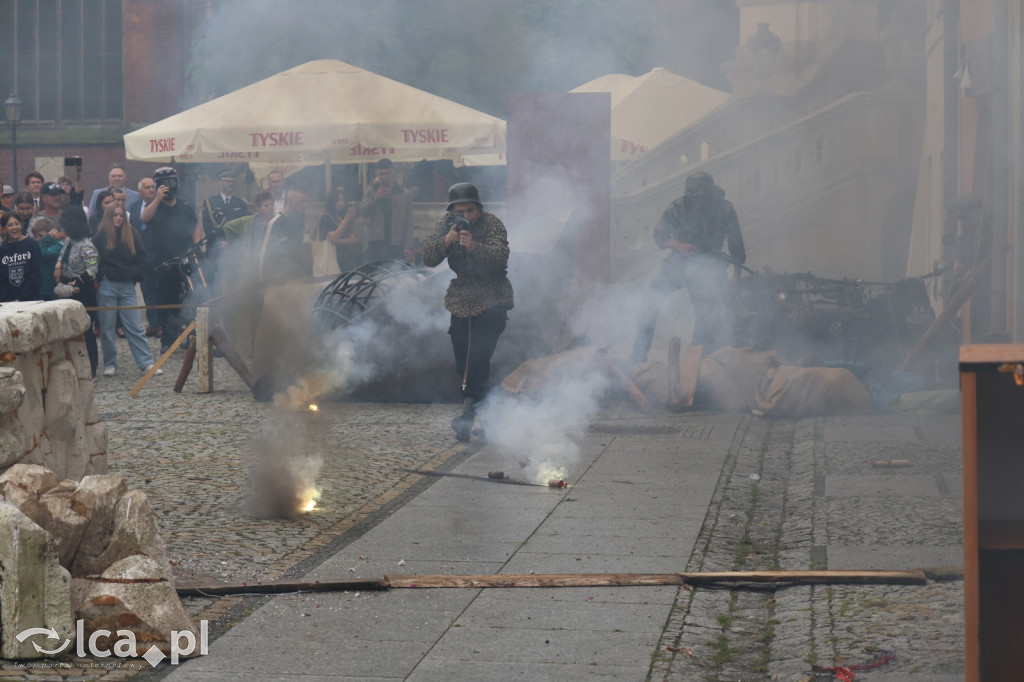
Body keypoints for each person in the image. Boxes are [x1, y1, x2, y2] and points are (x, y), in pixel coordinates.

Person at [421, 183, 514, 442]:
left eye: (470, 211)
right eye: (459, 211)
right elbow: (427, 257)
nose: (465, 216)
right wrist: (445, 242)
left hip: (492, 296)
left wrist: (475, 247)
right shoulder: (446, 224)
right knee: (463, 360)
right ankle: (485, 410)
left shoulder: (492, 224)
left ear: (478, 208)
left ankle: (469, 412)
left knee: (479, 358)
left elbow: (501, 258)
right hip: (461, 298)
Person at [631, 171, 745, 362]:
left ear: (710, 194)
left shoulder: (725, 209)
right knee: (649, 302)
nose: (696, 201)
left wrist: (737, 278)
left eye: (700, 197)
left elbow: (737, 248)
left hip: (710, 266)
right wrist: (679, 246)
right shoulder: (679, 206)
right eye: (692, 197)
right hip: (680, 262)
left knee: (707, 316)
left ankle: (698, 362)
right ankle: (638, 355)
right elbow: (660, 234)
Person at [93, 203, 161, 377]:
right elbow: (92, 258)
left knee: (135, 327)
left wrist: (135, 276)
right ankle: (110, 363)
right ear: (108, 216)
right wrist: (101, 274)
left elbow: (143, 258)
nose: (118, 218)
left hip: (127, 287)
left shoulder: (132, 235)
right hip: (107, 287)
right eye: (115, 215)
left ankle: (146, 363)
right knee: (107, 329)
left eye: (121, 215)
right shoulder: (100, 236)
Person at [141, 166, 201, 354]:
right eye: (164, 184)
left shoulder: (184, 205)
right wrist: (157, 198)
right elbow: (145, 218)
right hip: (164, 261)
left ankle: (191, 335)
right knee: (166, 301)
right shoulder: (154, 206)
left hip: (186, 257)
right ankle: (168, 339)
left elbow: (195, 226)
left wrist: (197, 247)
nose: (169, 187)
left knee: (192, 297)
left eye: (171, 182)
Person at [54, 207, 100, 377]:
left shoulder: (87, 246)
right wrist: (58, 267)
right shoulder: (68, 242)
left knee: (86, 331)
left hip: (82, 289)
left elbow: (92, 269)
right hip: (67, 288)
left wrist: (78, 281)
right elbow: (61, 256)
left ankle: (92, 368)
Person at [359, 158, 416, 262]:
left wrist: (408, 245)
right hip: (376, 242)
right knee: (376, 275)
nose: (384, 177)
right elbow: (363, 213)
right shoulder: (371, 191)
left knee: (396, 275)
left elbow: (409, 222)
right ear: (376, 173)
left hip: (397, 243)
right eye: (381, 174)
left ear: (393, 172)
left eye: (387, 173)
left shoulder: (404, 194)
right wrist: (375, 199)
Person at [128, 177, 160, 335]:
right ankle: (153, 323)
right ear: (140, 191)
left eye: (153, 187)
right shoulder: (134, 207)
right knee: (147, 290)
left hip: (158, 255)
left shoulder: (161, 206)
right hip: (141, 257)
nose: (151, 189)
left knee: (160, 289)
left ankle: (162, 323)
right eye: (147, 187)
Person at [259, 186, 309, 280]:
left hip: (297, 278)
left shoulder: (299, 220)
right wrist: (264, 284)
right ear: (290, 200)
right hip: (278, 280)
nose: (305, 205)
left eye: (306, 201)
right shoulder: (275, 223)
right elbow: (264, 256)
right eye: (302, 201)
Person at [0, 212, 43, 302]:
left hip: (32, 299)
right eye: (10, 225)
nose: (14, 227)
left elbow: (36, 274)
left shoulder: (32, 244)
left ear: (22, 225)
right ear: (4, 229)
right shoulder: (3, 249)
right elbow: (2, 279)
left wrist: (22, 298)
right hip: (10, 302)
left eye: (17, 224)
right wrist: (9, 300)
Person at [318, 187, 361, 272]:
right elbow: (333, 237)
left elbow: (353, 240)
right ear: (332, 201)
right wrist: (345, 220)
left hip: (344, 258)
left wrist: (338, 241)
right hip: (332, 258)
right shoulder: (326, 217)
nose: (341, 203)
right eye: (338, 200)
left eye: (343, 200)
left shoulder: (340, 218)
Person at [201, 171, 248, 248]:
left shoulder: (241, 203)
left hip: (234, 248)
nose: (230, 184)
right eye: (227, 181)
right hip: (215, 247)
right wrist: (218, 243)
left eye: (232, 181)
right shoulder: (209, 202)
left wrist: (230, 243)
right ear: (219, 183)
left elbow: (242, 227)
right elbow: (207, 227)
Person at [37, 219, 66, 300]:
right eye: (35, 236)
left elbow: (43, 254)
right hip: (43, 290)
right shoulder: (42, 245)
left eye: (40, 236)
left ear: (52, 233)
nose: (38, 239)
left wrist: (46, 239)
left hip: (53, 290)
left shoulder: (59, 245)